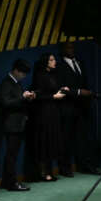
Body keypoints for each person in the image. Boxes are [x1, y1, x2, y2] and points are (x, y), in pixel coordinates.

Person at [57, 42, 98, 175]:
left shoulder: (80, 63)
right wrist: (79, 92)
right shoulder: (59, 65)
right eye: (68, 47)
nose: (72, 49)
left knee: (83, 138)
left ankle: (84, 165)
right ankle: (65, 168)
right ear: (62, 49)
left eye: (73, 47)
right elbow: (61, 87)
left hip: (82, 107)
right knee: (66, 138)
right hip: (67, 107)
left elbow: (83, 82)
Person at [0, 58, 34, 191]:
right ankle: (11, 183)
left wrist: (26, 98)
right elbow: (5, 102)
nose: (24, 76)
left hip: (17, 124)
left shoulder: (16, 83)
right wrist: (22, 97)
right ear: (16, 70)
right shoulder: (7, 83)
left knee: (12, 154)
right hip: (11, 125)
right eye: (23, 73)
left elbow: (15, 100)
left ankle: (6, 182)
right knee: (11, 155)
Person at [30, 52, 68, 182]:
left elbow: (52, 90)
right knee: (45, 141)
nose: (54, 62)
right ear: (46, 62)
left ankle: (49, 171)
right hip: (43, 113)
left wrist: (61, 90)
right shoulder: (40, 76)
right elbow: (38, 96)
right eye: (51, 60)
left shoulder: (53, 75)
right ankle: (44, 173)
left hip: (53, 112)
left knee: (52, 141)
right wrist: (53, 96)